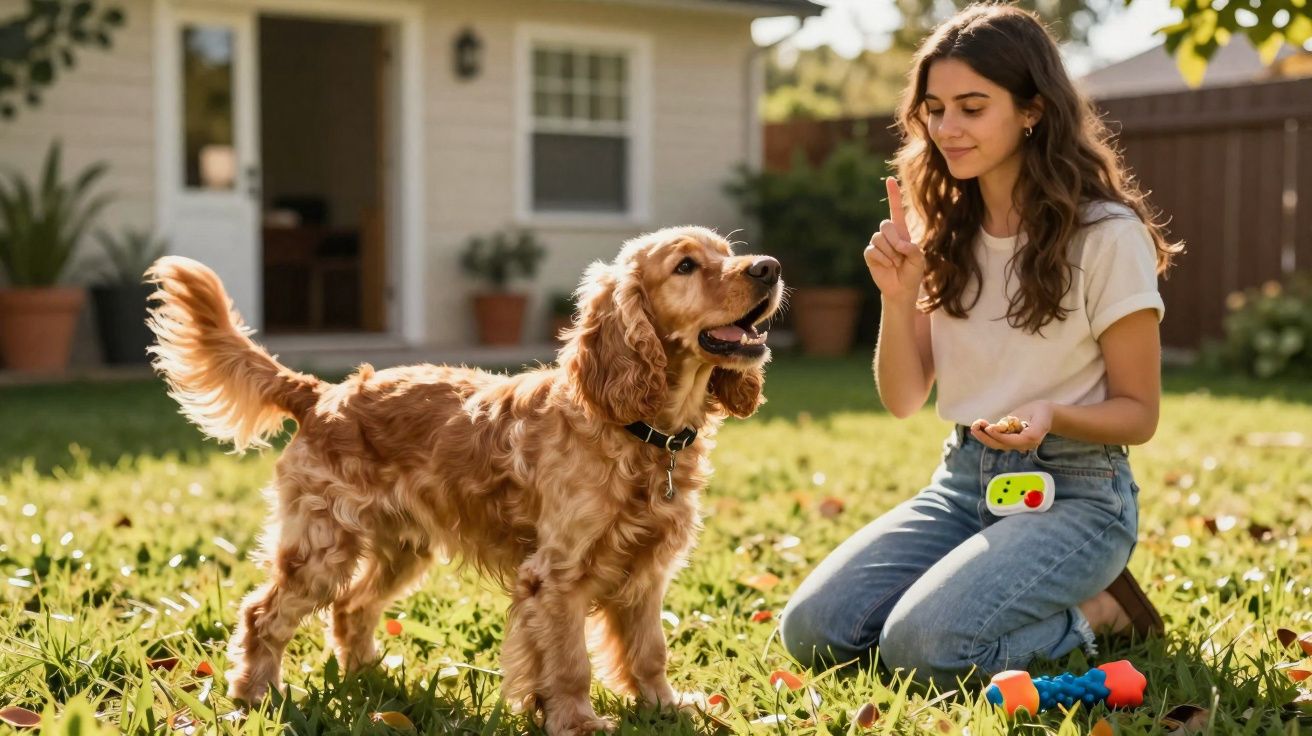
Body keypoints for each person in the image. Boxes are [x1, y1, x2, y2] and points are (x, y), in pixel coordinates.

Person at [779, 3, 1182, 686]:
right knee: (815, 632)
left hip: (1078, 494)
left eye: (972, 107)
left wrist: (1054, 414)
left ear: (1032, 110)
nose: (947, 129)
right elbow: (905, 398)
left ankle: (1103, 611)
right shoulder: (943, 228)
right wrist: (898, 295)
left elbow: (1139, 413)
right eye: (934, 109)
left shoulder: (1106, 236)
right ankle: (980, 588)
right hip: (963, 483)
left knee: (922, 649)